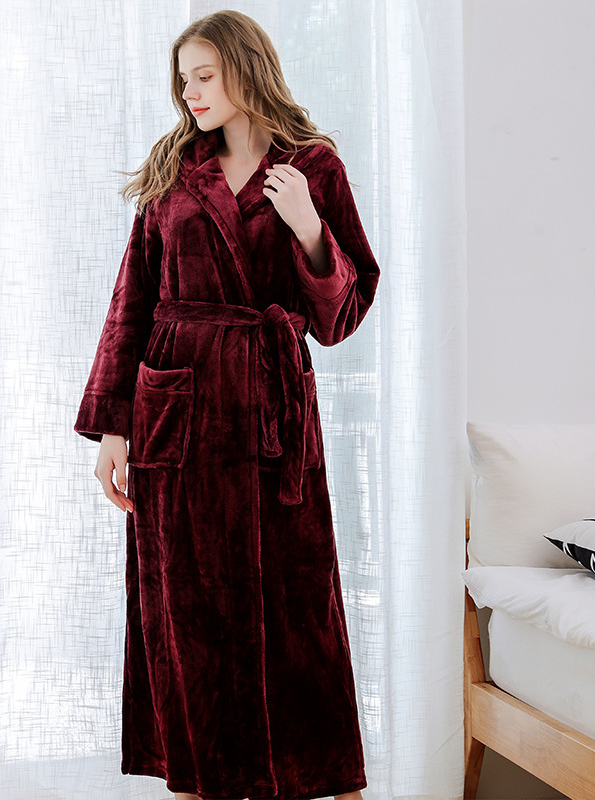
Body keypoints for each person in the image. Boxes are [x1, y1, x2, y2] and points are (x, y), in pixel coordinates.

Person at [75, 9, 379, 800]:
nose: (191, 92)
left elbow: (342, 317)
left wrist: (308, 229)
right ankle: (197, 779)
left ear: (247, 69)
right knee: (187, 605)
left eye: (205, 76)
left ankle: (320, 778)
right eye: (184, 80)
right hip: (177, 417)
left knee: (298, 605)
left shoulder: (313, 167)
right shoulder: (174, 168)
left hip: (273, 415)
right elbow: (132, 300)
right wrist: (113, 429)